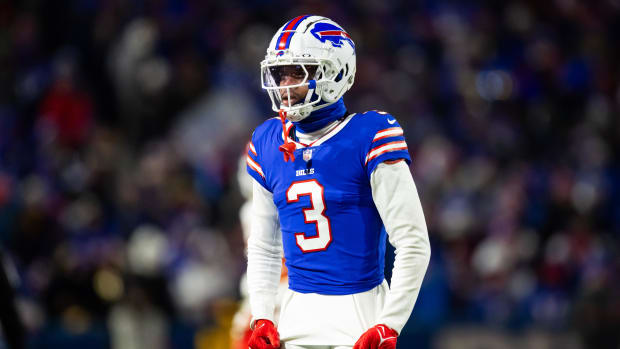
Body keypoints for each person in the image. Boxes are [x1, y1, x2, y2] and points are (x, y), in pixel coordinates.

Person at [245, 15, 430, 349]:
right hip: (295, 314)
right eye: (279, 73)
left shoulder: (369, 135)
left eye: (296, 73)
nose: (284, 84)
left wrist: (390, 323)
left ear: (333, 73)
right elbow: (264, 246)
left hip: (359, 314)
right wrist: (262, 314)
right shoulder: (267, 141)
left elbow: (413, 242)